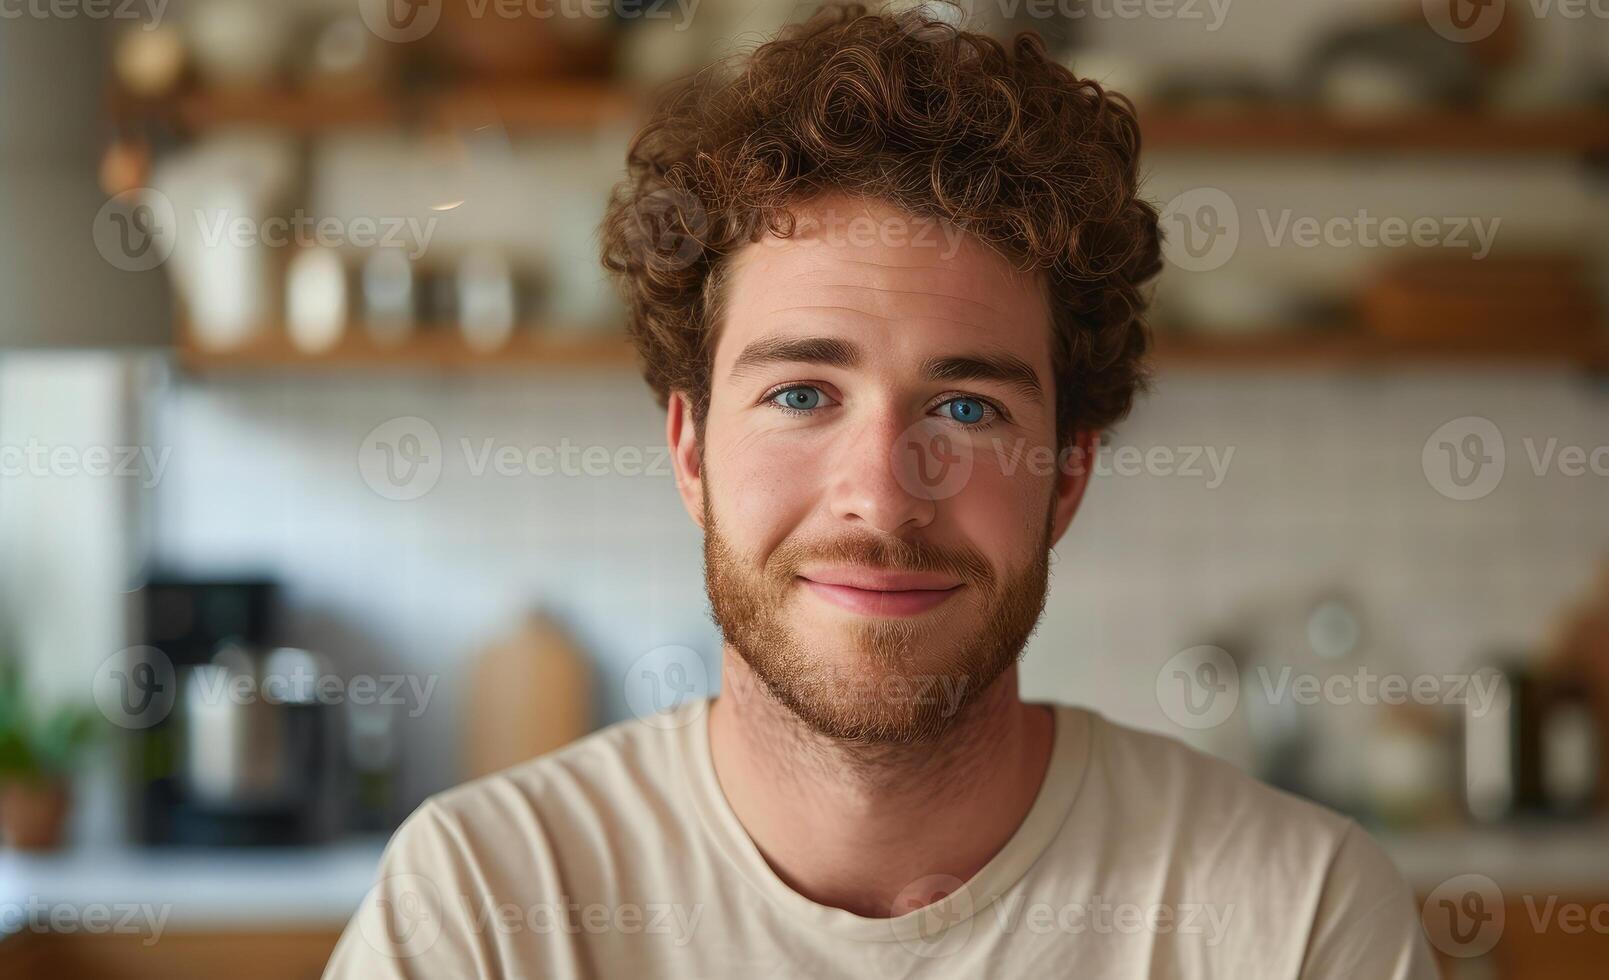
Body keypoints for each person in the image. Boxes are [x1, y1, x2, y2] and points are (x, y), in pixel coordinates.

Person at [324, 4, 1439, 976]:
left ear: (1067, 475)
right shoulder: (480, 909)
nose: (884, 498)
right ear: (692, 453)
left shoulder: (1297, 919)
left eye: (966, 408)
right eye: (804, 393)